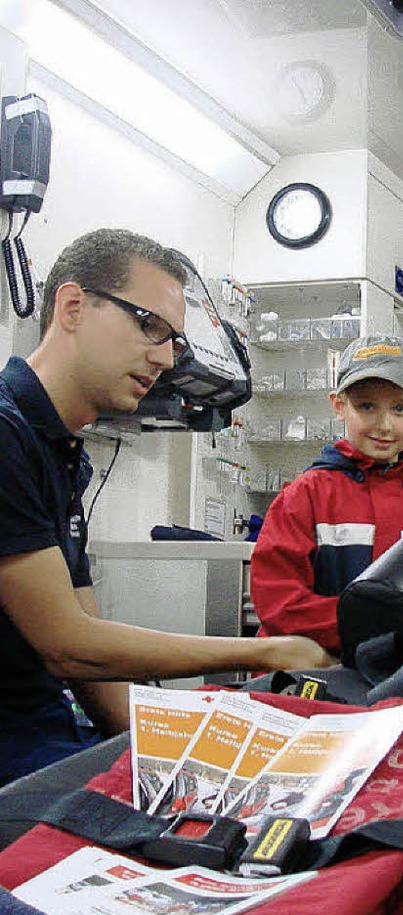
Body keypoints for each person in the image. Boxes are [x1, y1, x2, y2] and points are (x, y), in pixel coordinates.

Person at [0, 228, 333, 787]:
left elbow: (90, 649)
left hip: (48, 738)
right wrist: (274, 651)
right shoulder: (6, 434)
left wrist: (177, 758)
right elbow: (69, 648)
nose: (164, 358)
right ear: (73, 306)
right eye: (150, 326)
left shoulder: (61, 455)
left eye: (174, 342)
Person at [250, 332, 403, 655]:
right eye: (367, 406)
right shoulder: (304, 496)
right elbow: (278, 603)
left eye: (399, 408)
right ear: (339, 406)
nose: (384, 425)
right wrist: (378, 627)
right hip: (316, 676)